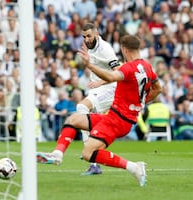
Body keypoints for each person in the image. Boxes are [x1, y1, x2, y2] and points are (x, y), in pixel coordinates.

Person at [37, 35, 162, 187]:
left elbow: (112, 75)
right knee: (73, 120)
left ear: (125, 50)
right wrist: (140, 102)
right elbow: (158, 88)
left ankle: (134, 167)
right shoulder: (147, 67)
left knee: (88, 153)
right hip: (117, 117)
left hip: (118, 120)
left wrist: (89, 65)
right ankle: (57, 154)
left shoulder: (128, 68)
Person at [72, 23, 121, 175]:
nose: (86, 39)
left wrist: (100, 81)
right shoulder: (88, 47)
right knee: (85, 113)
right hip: (97, 89)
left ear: (97, 34)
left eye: (89, 36)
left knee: (82, 109)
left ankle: (92, 158)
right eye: (84, 37)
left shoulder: (105, 49)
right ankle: (93, 156)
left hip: (110, 87)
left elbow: (118, 72)